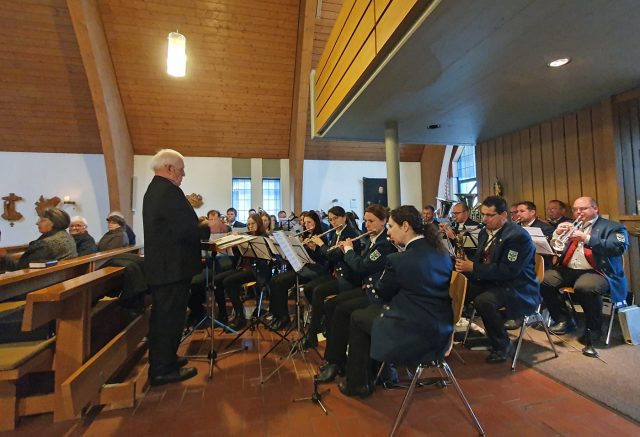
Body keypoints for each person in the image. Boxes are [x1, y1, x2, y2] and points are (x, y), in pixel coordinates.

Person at [336, 206, 453, 398]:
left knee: (358, 317)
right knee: (366, 315)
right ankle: (380, 372)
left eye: (390, 226)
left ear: (405, 226)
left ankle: (358, 383)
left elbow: (382, 291)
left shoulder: (399, 259)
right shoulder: (441, 251)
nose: (388, 231)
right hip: (442, 325)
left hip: (416, 329)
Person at [143, 149, 214, 386]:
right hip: (171, 268)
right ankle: (162, 370)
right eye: (181, 170)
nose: (183, 175)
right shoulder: (168, 191)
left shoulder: (155, 190)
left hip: (166, 268)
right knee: (168, 320)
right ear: (170, 168)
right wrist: (209, 228)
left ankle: (167, 360)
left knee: (167, 318)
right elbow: (185, 230)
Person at [314, 204, 397, 384]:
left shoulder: (384, 245)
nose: (367, 225)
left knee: (342, 310)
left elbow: (362, 266)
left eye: (371, 221)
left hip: (377, 296)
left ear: (384, 222)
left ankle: (335, 363)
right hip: (367, 289)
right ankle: (336, 358)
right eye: (366, 221)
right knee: (331, 305)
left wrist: (348, 250)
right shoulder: (373, 240)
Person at [455, 196, 539, 364]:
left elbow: (509, 271)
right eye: (483, 214)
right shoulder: (485, 232)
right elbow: (482, 261)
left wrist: (473, 268)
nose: (484, 219)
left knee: (483, 302)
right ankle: (447, 334)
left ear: (503, 216)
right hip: (493, 280)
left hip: (517, 286)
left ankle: (503, 344)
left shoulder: (517, 236)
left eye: (489, 215)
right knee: (457, 288)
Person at [540, 197, 628, 343]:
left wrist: (586, 238)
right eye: (575, 210)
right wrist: (557, 235)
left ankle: (594, 328)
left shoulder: (612, 227)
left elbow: (618, 248)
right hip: (570, 269)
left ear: (595, 209)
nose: (578, 212)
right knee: (543, 279)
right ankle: (564, 320)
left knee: (585, 288)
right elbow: (556, 248)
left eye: (583, 209)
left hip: (597, 271)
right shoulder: (571, 225)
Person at [299, 206, 362, 349]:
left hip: (346, 278)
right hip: (334, 273)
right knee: (309, 287)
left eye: (336, 218)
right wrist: (316, 249)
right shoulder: (335, 234)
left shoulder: (350, 234)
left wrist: (321, 245)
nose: (333, 222)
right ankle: (320, 320)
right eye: (331, 219)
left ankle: (313, 333)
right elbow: (330, 259)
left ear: (344, 218)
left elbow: (334, 255)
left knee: (318, 291)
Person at [267, 211, 329, 331]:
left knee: (280, 282)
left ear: (316, 222)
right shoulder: (306, 235)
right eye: (305, 223)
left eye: (309, 222)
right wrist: (293, 244)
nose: (306, 225)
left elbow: (325, 259)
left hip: (315, 271)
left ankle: (284, 318)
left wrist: (315, 248)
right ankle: (277, 315)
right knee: (274, 280)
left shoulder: (322, 236)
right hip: (304, 268)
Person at [0, 208, 77, 271]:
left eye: (42, 220)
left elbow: (21, 267)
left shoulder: (46, 244)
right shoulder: (66, 236)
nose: (37, 223)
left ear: (54, 223)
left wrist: (4, 257)